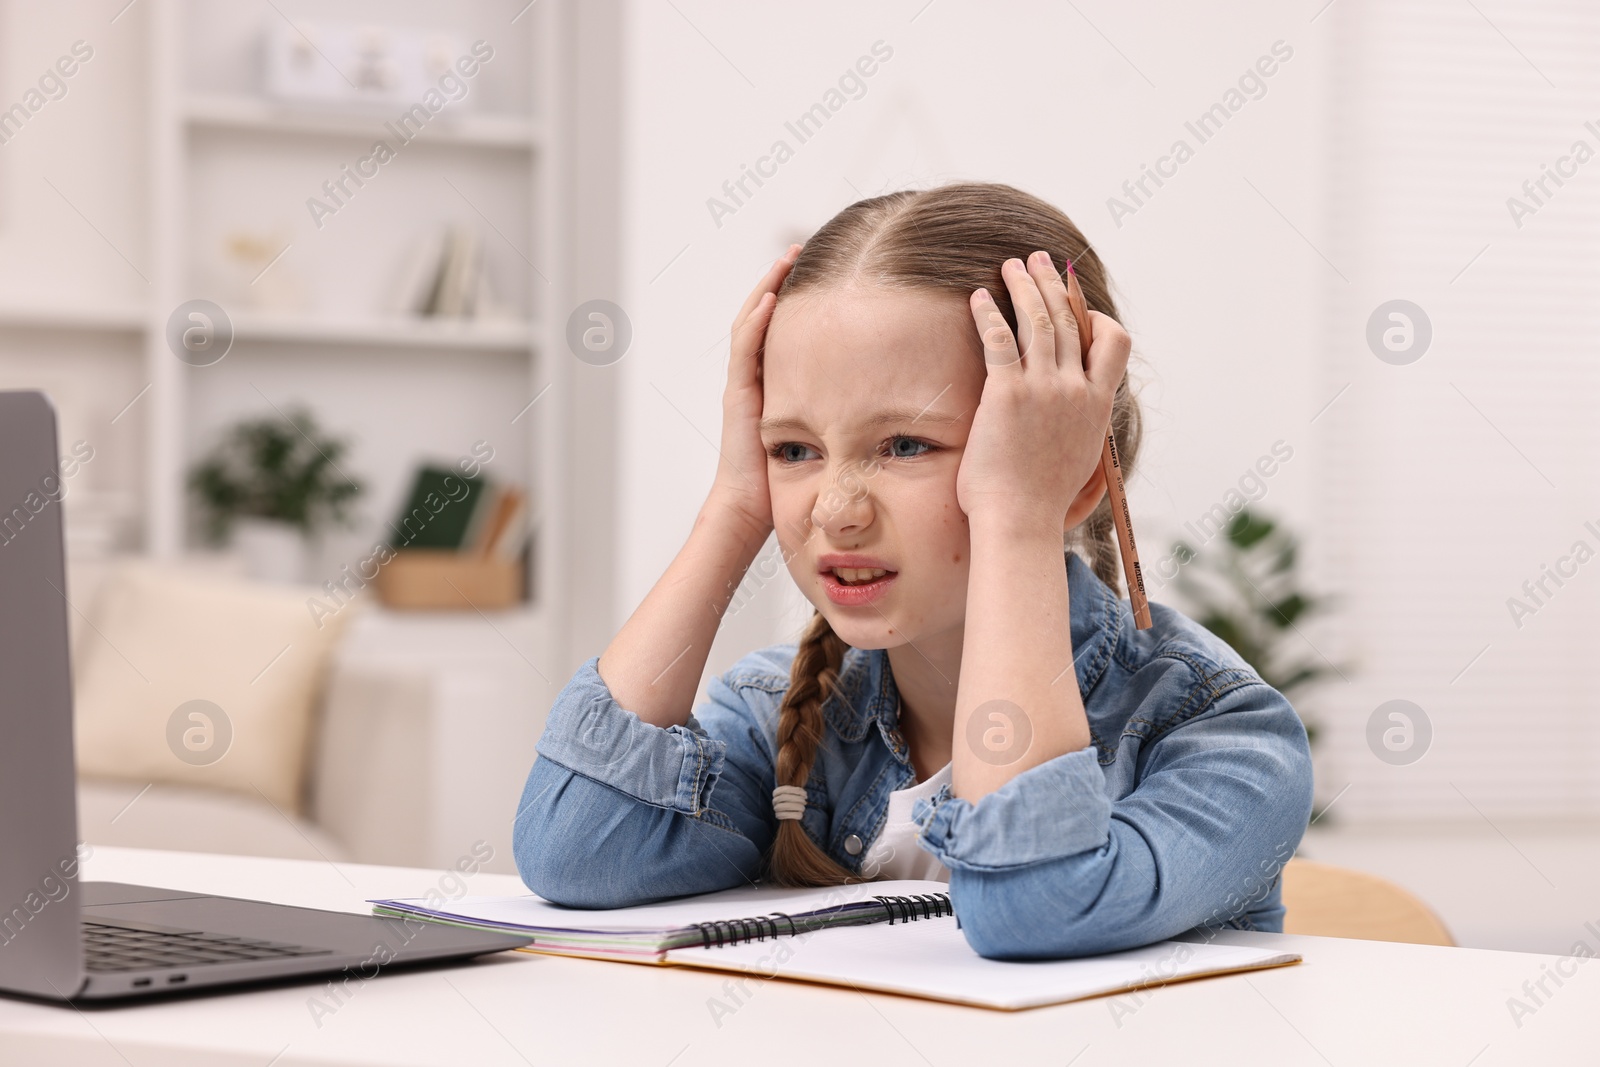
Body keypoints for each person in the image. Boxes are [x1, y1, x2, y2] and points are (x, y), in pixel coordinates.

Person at [512, 182, 1314, 960]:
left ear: (1070, 474)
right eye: (793, 449)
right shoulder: (781, 712)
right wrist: (732, 506)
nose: (836, 510)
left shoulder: (1220, 733)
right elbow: (578, 850)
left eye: (905, 445)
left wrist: (1017, 520)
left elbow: (1033, 905)